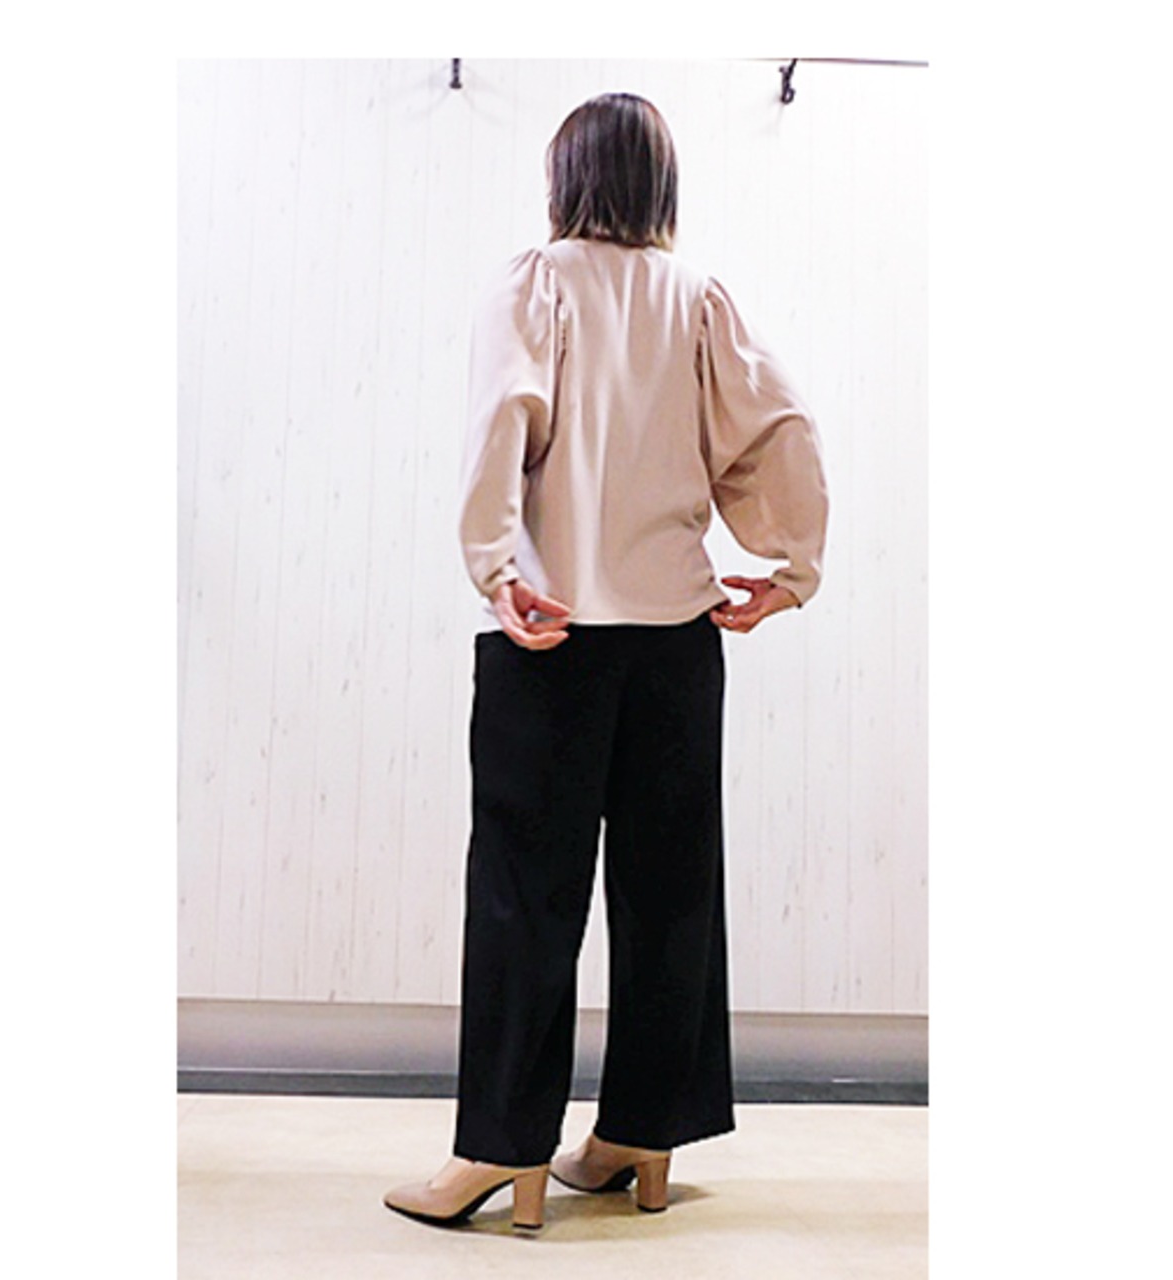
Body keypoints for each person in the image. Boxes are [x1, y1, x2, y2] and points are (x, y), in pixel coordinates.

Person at [383, 91, 829, 1232]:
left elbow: (504, 417)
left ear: (565, 176)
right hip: (676, 643)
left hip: (554, 632)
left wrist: (494, 569)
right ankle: (642, 1131)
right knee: (670, 891)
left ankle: (500, 1151)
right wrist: (791, 566)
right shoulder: (699, 297)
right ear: (661, 183)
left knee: (523, 897)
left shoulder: (536, 282)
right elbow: (778, 424)